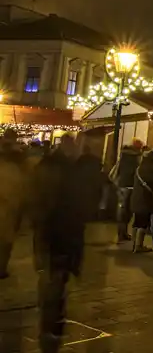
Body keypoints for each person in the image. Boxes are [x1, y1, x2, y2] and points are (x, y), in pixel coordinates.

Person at [30, 134, 97, 353]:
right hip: (60, 232)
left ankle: (50, 317)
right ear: (69, 148)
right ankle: (51, 323)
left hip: (49, 231)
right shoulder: (66, 171)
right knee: (56, 278)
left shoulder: (49, 166)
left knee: (52, 276)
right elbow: (74, 203)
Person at [0, 129, 28, 278]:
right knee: (6, 241)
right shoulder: (16, 167)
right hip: (9, 208)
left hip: (9, 208)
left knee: (6, 240)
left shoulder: (14, 166)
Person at [133, 147, 153, 253]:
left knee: (137, 221)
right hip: (145, 198)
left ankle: (135, 244)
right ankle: (138, 245)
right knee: (143, 222)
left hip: (137, 197)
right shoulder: (150, 169)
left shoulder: (140, 167)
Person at [110, 139, 142, 243]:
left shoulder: (123, 157)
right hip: (132, 186)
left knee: (122, 210)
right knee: (128, 211)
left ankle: (121, 233)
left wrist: (117, 183)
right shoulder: (137, 158)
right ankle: (123, 233)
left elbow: (114, 173)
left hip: (122, 186)